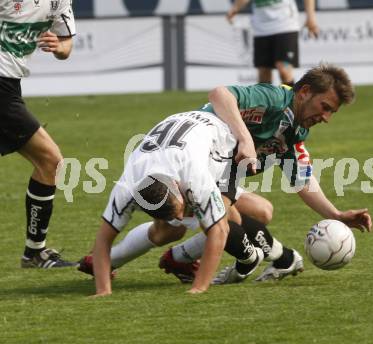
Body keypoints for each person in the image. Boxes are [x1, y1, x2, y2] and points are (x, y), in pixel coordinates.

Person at [159, 63, 373, 283]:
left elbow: (303, 181)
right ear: (305, 92)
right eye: (325, 107)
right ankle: (275, 257)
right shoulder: (274, 99)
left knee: (259, 212)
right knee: (176, 227)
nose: (326, 118)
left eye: (332, 112)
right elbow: (219, 94)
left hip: (217, 174)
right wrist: (245, 138)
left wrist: (336, 215)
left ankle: (181, 258)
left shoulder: (296, 130)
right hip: (190, 160)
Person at [89, 110, 297, 296]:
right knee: (169, 231)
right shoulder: (127, 188)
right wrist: (103, 290)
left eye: (179, 210)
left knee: (236, 217)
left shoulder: (195, 178)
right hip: (185, 143)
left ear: (178, 187)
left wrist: (199, 288)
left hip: (221, 142)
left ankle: (257, 258)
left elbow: (219, 231)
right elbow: (102, 238)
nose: (180, 216)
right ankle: (114, 261)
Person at [0, 0, 76, 268]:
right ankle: (34, 253)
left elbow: (66, 46)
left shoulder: (59, 1)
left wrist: (58, 46)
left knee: (49, 163)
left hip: (9, 86)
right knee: (50, 161)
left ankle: (33, 253)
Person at [227, 0, 319, 86]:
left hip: (286, 25)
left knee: (284, 70)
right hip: (261, 29)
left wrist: (311, 18)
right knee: (263, 73)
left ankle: (290, 102)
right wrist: (235, 8)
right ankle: (265, 103)